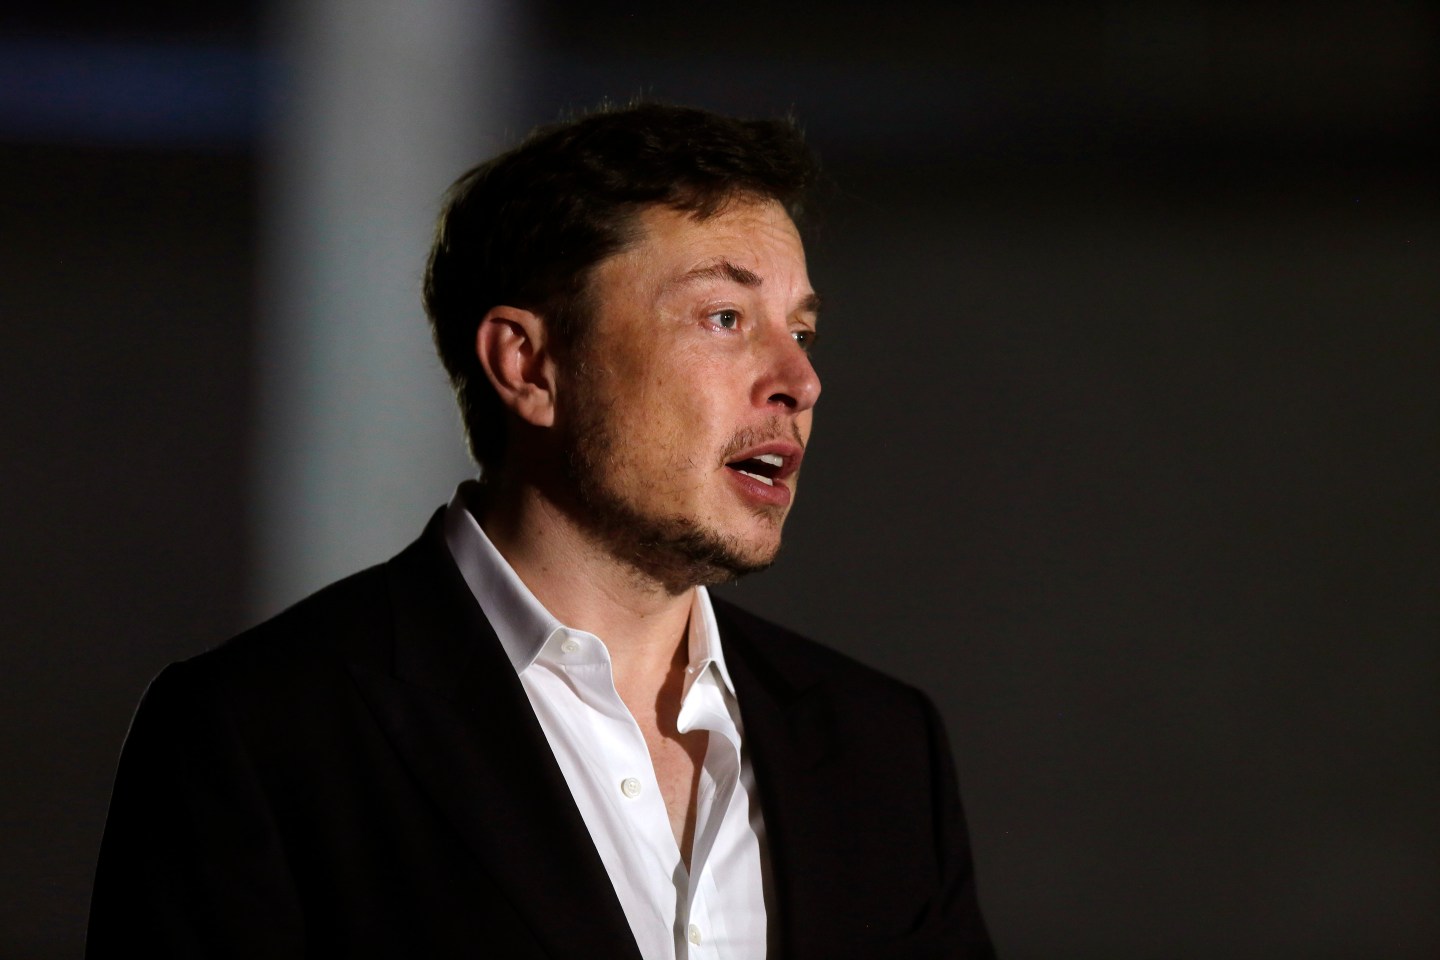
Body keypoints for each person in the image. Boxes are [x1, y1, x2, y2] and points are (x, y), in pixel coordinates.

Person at [87, 103, 995, 959]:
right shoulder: (258, 734)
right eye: (725, 318)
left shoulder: (882, 747)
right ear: (527, 365)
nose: (799, 380)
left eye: (801, 331)